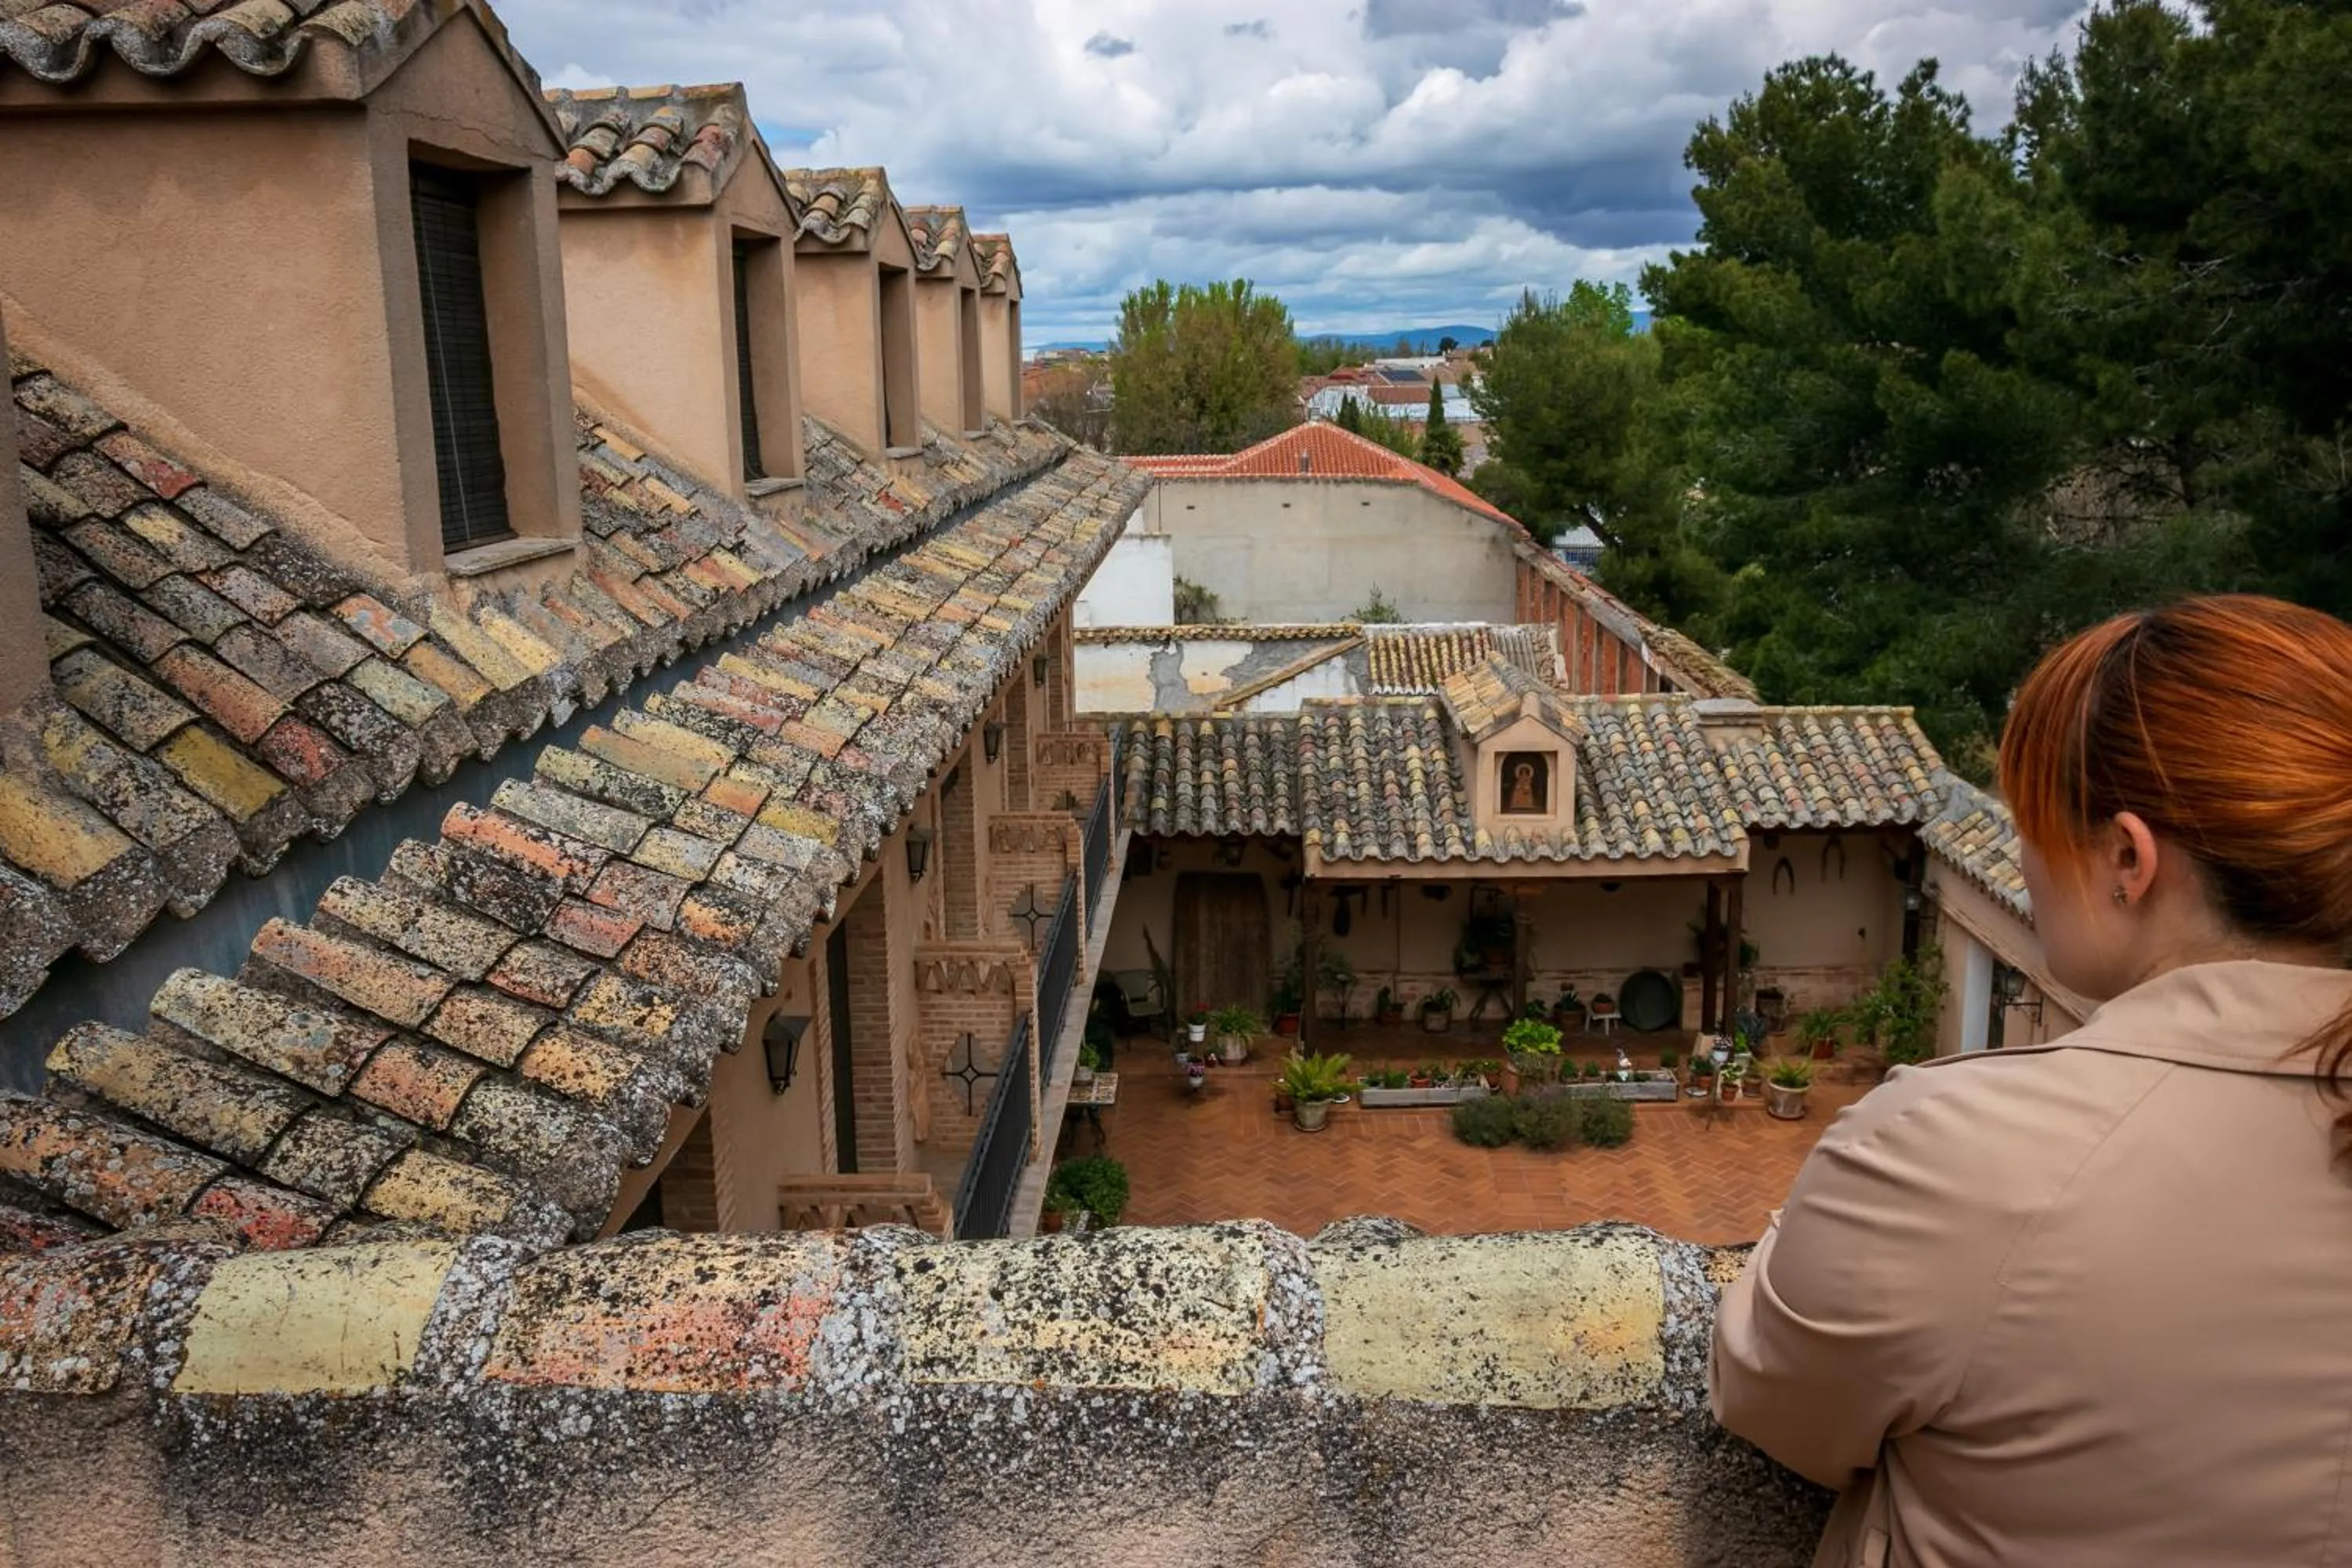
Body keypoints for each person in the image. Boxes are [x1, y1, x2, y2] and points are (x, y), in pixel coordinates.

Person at [1711, 596, 2352, 1566]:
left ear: (2128, 859)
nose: (2018, 850)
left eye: (2032, 817)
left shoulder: (1958, 1153)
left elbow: (1773, 1399)